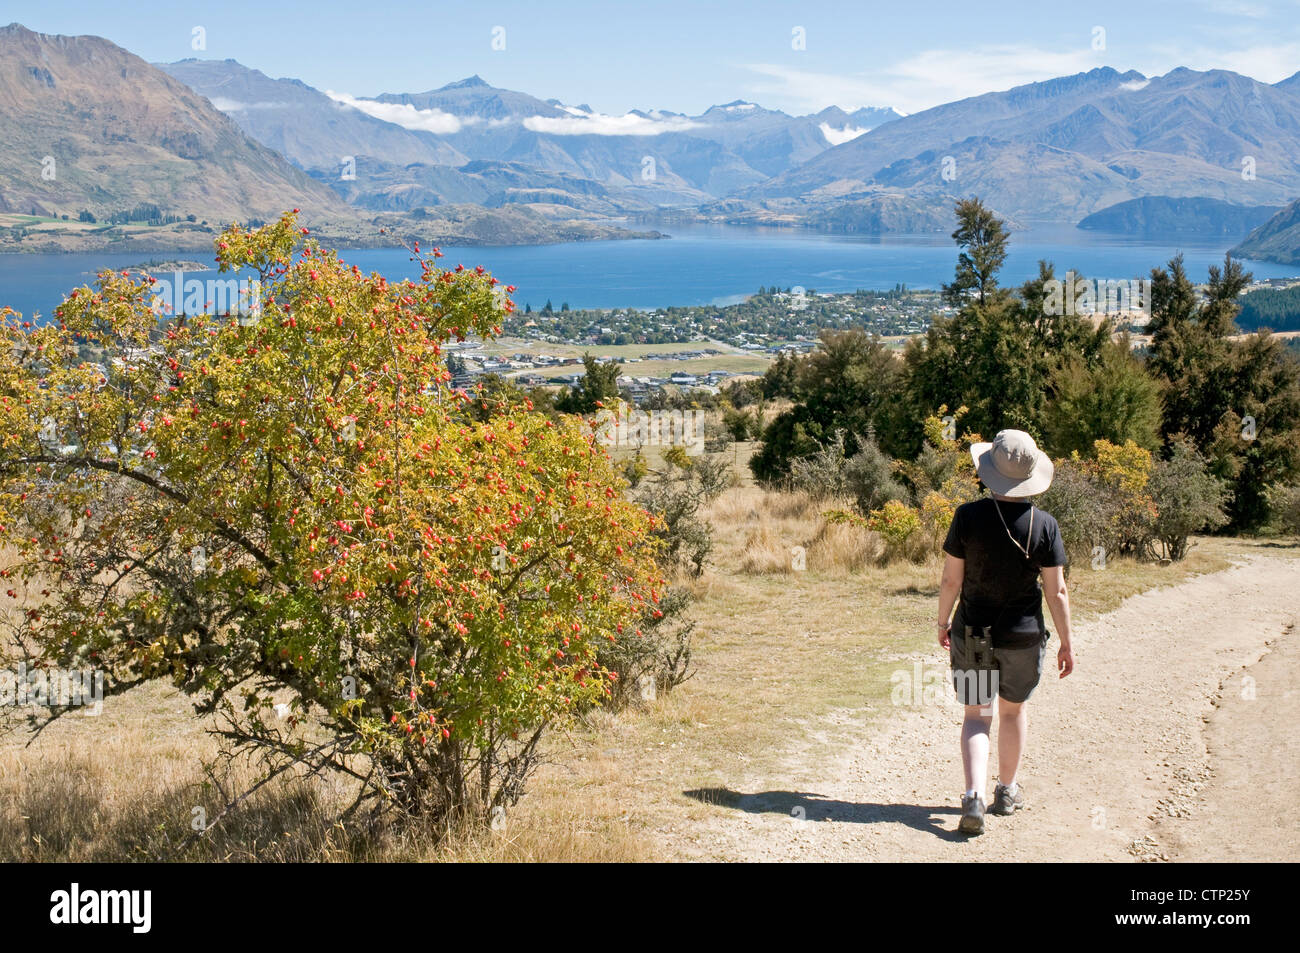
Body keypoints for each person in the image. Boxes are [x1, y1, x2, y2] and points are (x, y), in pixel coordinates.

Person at [936, 429, 1075, 836]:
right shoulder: (1044, 525)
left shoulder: (967, 516)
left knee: (977, 716)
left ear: (989, 472)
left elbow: (950, 581)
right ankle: (1007, 791)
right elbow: (1057, 591)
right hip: (1023, 635)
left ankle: (973, 798)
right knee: (1013, 711)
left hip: (973, 632)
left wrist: (943, 622)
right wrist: (1067, 642)